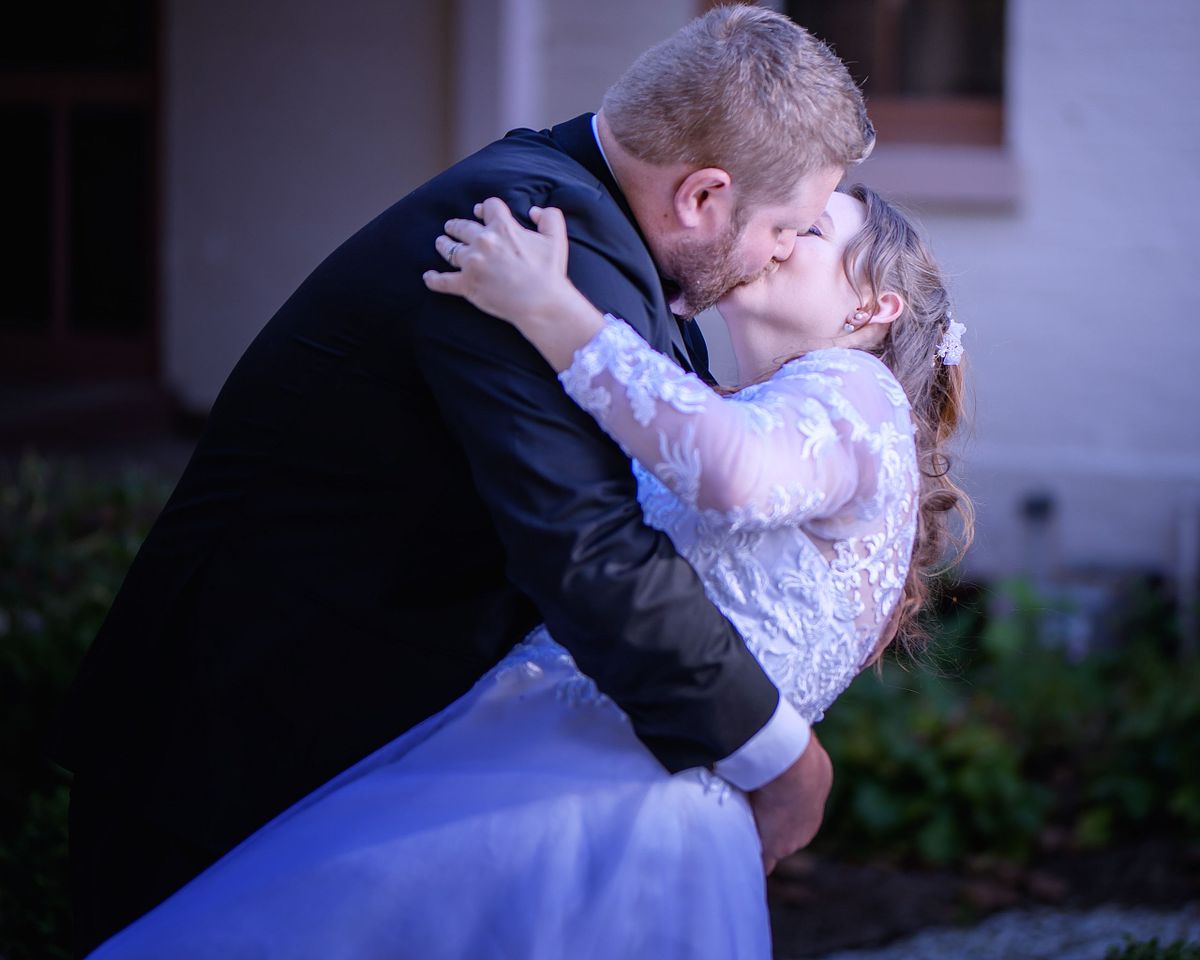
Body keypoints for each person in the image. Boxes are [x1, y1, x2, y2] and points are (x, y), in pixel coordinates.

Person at [55, 8, 875, 957]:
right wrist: (780, 755)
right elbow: (586, 546)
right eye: (782, 226)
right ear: (702, 196)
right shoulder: (526, 237)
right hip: (233, 753)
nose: (784, 250)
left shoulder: (601, 245)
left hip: (337, 756)